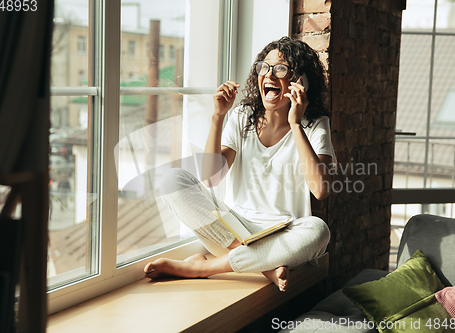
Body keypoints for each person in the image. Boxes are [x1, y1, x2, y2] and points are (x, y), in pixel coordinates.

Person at [144, 36, 336, 291]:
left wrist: (295, 124)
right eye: (264, 66)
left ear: (300, 81)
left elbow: (320, 191)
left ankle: (202, 267)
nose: (269, 74)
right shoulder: (242, 116)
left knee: (318, 230)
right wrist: (218, 116)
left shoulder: (314, 125)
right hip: (233, 232)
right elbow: (211, 178)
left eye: (280, 68)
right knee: (171, 180)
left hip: (284, 237)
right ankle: (264, 266)